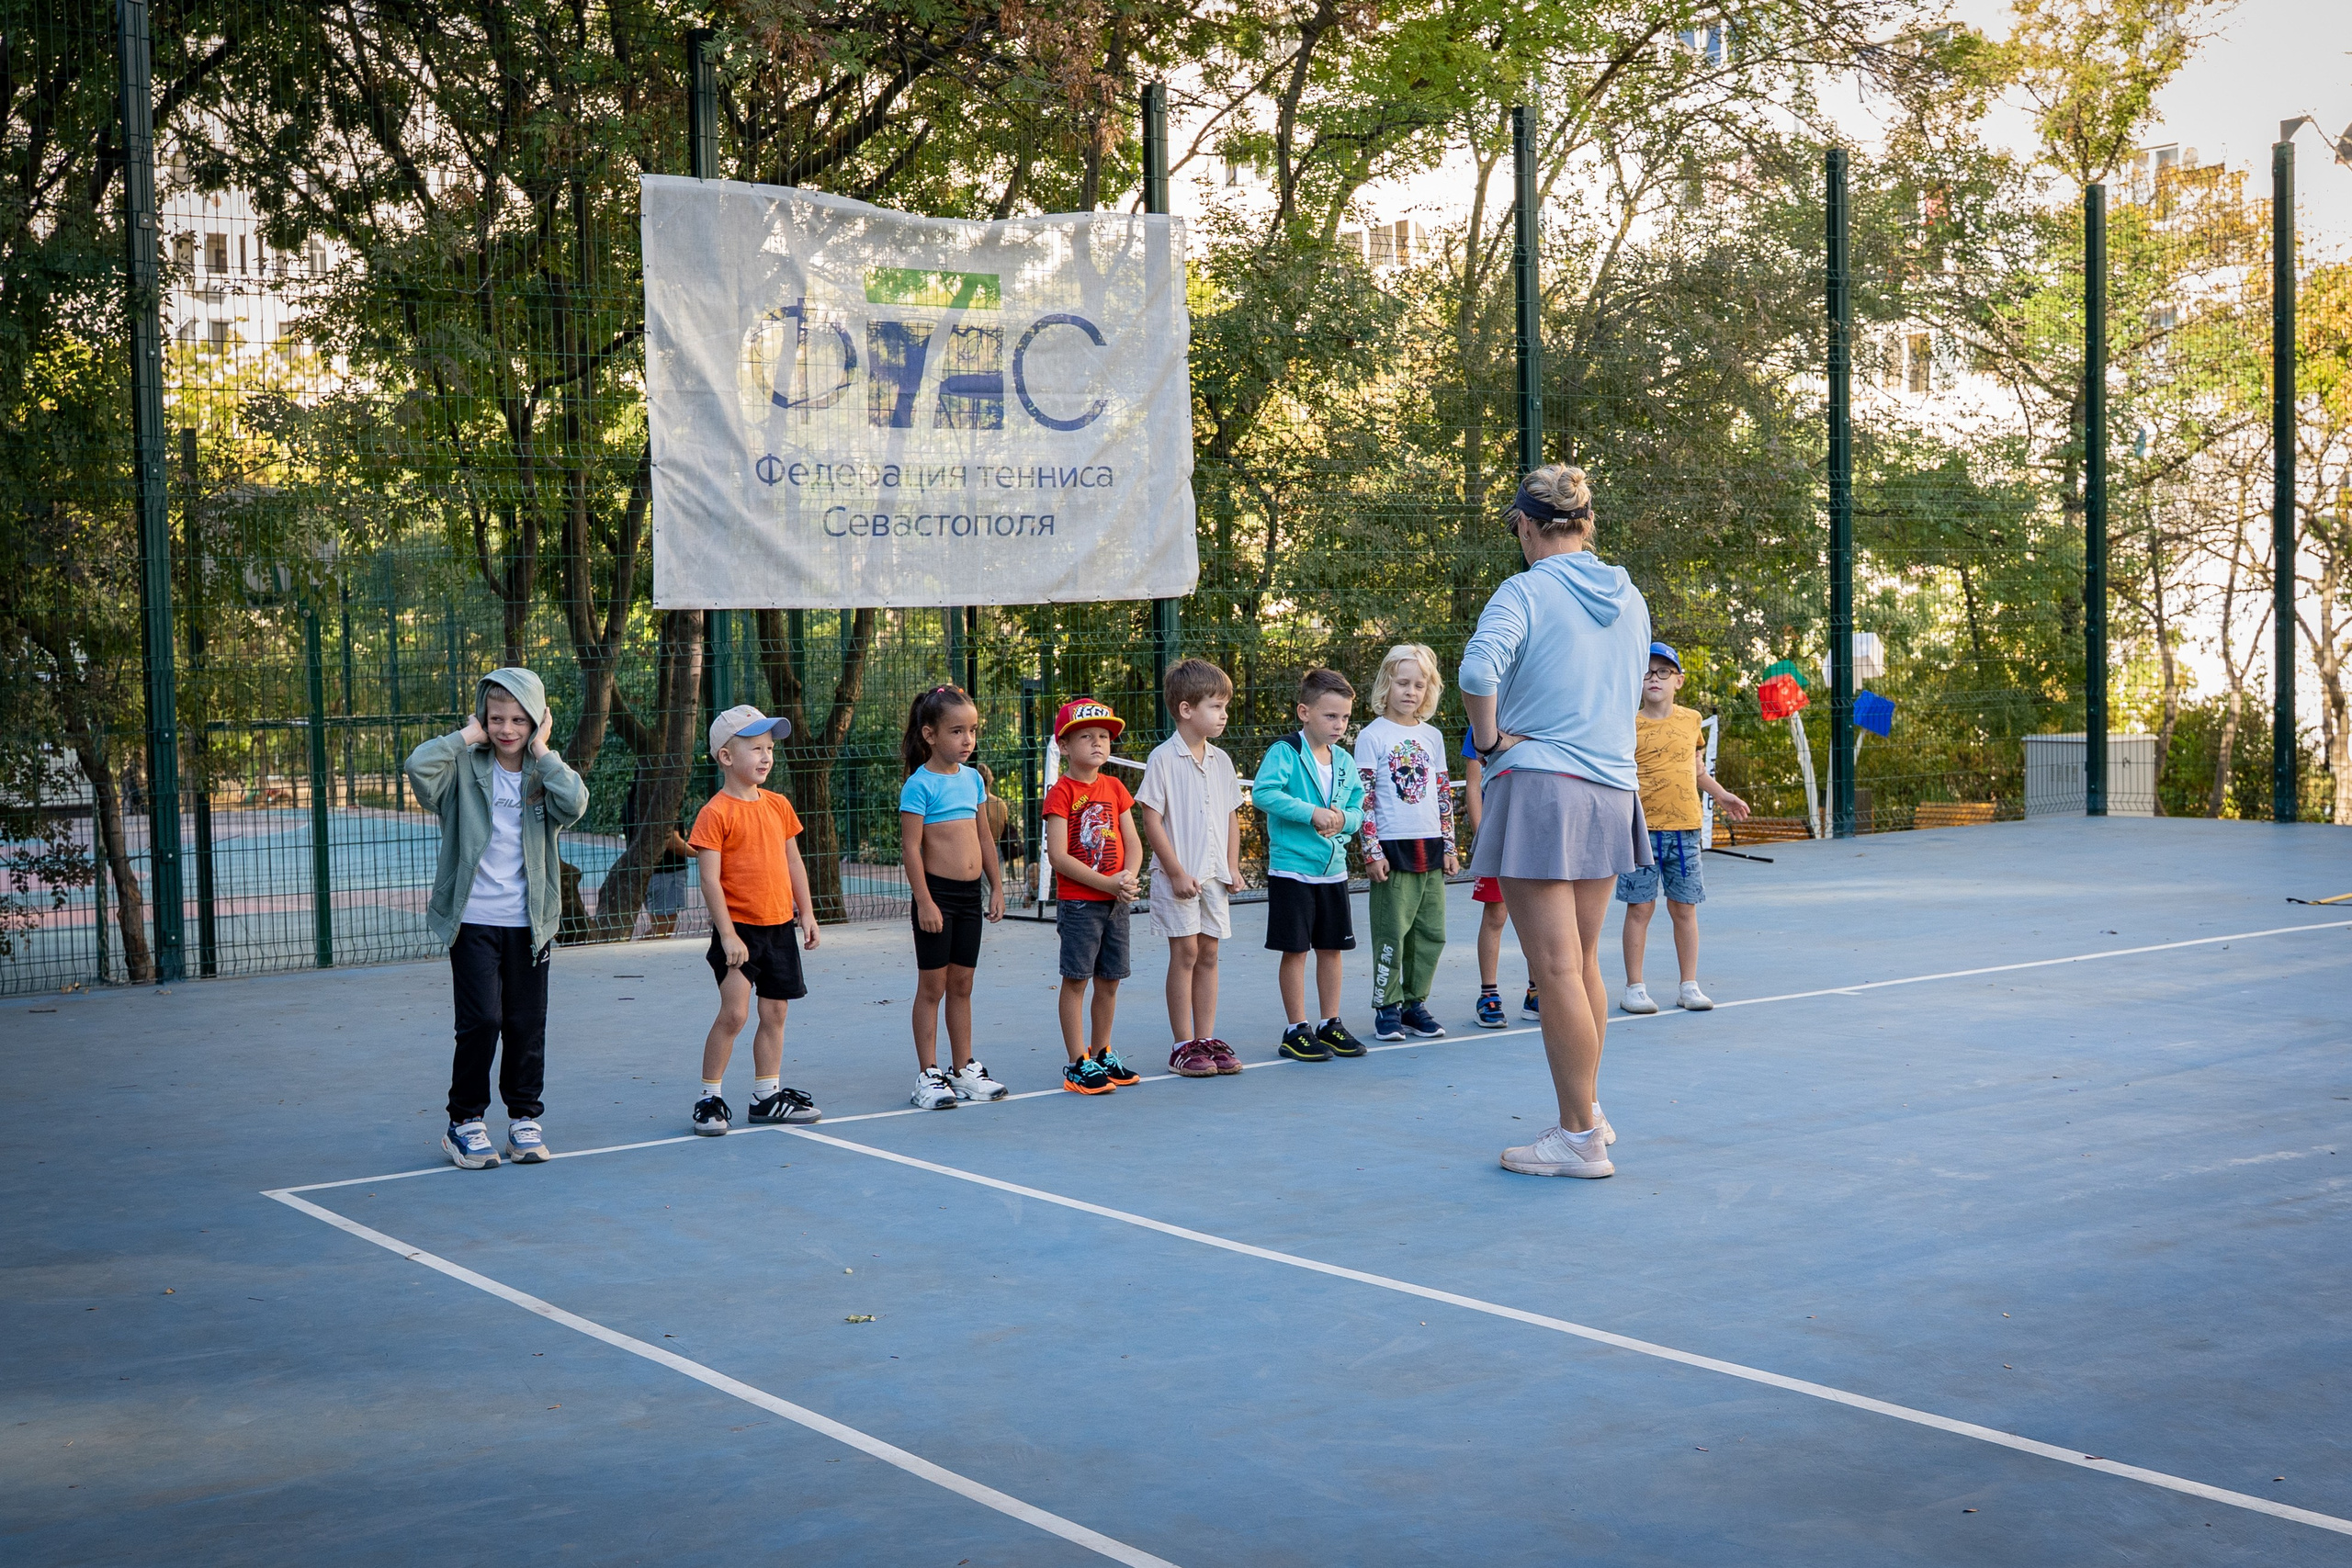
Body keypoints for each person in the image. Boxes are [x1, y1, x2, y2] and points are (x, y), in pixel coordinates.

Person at [1458, 464, 1653, 1179]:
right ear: (1588, 523)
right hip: (1612, 788)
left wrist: (1487, 741)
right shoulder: (1630, 597)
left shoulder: (1524, 590)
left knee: (1556, 967)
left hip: (1542, 785)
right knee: (1584, 961)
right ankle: (1589, 1110)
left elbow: (1477, 673)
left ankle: (1578, 1137)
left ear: (1525, 526)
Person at [405, 668, 589, 1169]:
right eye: (496, 719)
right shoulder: (462, 768)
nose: (507, 729)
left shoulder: (543, 772)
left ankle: (524, 1118)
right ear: (482, 719)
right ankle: (464, 1122)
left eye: (519, 720)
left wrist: (544, 751)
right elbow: (418, 767)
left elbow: (576, 803)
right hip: (473, 920)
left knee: (527, 1023)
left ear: (538, 721)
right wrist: (466, 736)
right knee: (482, 1021)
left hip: (530, 923)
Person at [686, 705, 824, 1135]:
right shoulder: (715, 813)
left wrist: (807, 912)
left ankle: (766, 1096)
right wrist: (727, 935)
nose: (766, 757)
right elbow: (709, 880)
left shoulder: (779, 806)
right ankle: (709, 1098)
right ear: (726, 757)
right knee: (734, 1015)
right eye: (756, 748)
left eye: (770, 749)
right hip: (740, 933)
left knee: (775, 1012)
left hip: (780, 927)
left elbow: (794, 863)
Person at [1618, 643, 1750, 1014]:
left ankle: (1688, 986)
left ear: (1679, 680)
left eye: (1664, 672)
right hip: (1640, 834)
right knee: (1640, 909)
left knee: (1685, 909)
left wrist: (1722, 795)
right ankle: (1634, 988)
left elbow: (1696, 770)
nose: (1654, 678)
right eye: (1647, 672)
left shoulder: (1692, 720)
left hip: (1685, 832)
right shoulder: (1626, 724)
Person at [899, 685, 1009, 1109]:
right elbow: (911, 849)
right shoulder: (918, 786)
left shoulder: (974, 780)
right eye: (957, 731)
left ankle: (963, 1069)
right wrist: (925, 901)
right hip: (937, 897)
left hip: (968, 898)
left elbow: (984, 837)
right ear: (930, 735)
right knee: (933, 987)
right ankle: (928, 1074)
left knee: (962, 984)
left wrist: (996, 886)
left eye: (973, 730)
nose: (968, 740)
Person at [1135, 658, 1246, 1078]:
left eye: (1224, 706)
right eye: (1215, 706)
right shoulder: (1162, 759)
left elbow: (1232, 816)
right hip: (1178, 878)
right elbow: (1151, 819)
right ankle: (1183, 1045)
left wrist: (1232, 867)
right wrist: (1177, 872)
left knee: (1209, 953)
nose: (1224, 714)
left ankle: (1206, 1039)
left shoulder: (1222, 760)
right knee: (1185, 953)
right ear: (1186, 709)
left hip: (1215, 878)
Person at [1252, 668, 1369, 1063]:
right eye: (1330, 716)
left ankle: (1330, 1023)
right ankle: (1296, 1028)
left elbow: (1357, 809)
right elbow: (1264, 794)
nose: (1339, 725)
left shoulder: (1345, 761)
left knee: (1332, 948)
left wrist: (1343, 820)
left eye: (1345, 717)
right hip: (1292, 870)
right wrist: (1311, 812)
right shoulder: (1285, 751)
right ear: (1304, 712)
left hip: (1333, 871)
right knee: (1296, 950)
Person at [1355, 643, 1459, 1042]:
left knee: (1430, 932)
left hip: (1430, 848)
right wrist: (1371, 850)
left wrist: (1449, 846)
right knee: (1391, 932)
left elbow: (1442, 793)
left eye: (1419, 684)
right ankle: (1387, 1006)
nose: (1410, 692)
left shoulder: (1432, 737)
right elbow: (1364, 799)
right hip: (1392, 851)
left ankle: (1415, 1003)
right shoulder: (1372, 736)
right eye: (1402, 683)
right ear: (1387, 684)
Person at [1043, 696, 1145, 1093]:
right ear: (1065, 746)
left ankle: (1102, 1052)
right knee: (1076, 981)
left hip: (1115, 903)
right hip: (1080, 905)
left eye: (1103, 736)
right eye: (1086, 736)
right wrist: (1108, 884)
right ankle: (1077, 1063)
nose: (1098, 742)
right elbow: (1058, 856)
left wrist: (1128, 879)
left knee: (1110, 980)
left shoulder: (1115, 787)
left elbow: (1133, 843)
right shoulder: (1061, 793)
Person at [1461, 731, 1535, 1029]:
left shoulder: (1538, 719)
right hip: (1498, 833)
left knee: (1538, 916)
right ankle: (1488, 996)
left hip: (1533, 833)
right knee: (1496, 915)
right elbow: (1473, 783)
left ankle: (1537, 991)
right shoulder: (1482, 724)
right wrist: (1482, 834)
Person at [620, 772, 692, 938]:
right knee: (663, 929)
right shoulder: (661, 803)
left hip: (650, 871)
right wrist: (701, 853)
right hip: (666, 872)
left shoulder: (633, 803)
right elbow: (671, 842)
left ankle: (639, 951)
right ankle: (643, 954)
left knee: (659, 928)